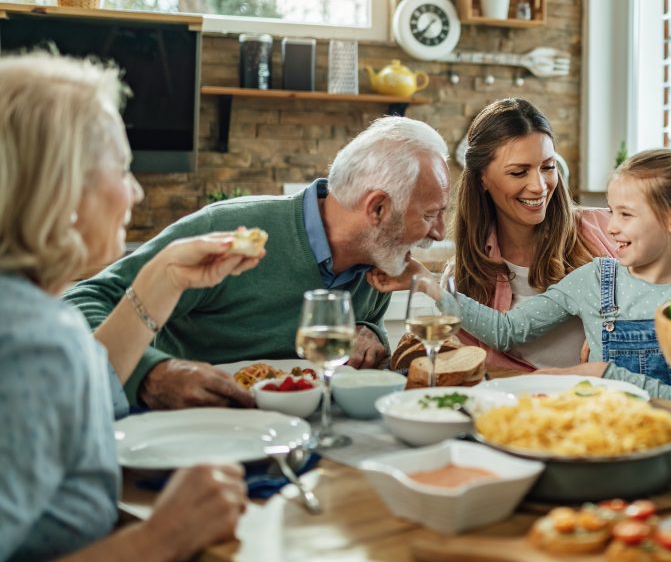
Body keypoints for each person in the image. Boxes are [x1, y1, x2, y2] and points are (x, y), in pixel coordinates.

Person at [0, 52, 251, 561]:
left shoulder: (25, 314)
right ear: (63, 187)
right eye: (123, 167)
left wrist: (165, 277)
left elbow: (81, 393)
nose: (135, 190)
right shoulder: (34, 340)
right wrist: (163, 537)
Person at [65, 116, 450, 410]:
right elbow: (80, 304)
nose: (439, 232)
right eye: (431, 214)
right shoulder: (228, 230)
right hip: (187, 431)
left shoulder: (381, 260)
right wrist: (150, 373)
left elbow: (363, 341)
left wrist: (371, 336)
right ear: (378, 208)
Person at [378, 149, 671, 403]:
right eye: (612, 212)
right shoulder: (595, 278)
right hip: (590, 432)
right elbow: (507, 331)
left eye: (626, 215)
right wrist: (428, 284)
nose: (612, 227)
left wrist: (600, 373)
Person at [453, 98, 617, 371]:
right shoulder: (464, 278)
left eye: (548, 167)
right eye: (519, 172)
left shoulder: (608, 230)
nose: (539, 186)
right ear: (482, 178)